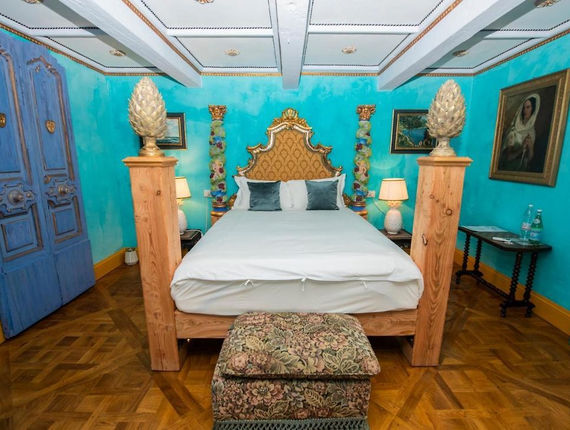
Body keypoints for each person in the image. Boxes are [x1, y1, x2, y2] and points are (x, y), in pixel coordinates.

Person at [499, 94, 540, 171]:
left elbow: (529, 159)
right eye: (524, 107)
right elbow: (508, 158)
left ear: (533, 109)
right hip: (508, 169)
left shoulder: (532, 131)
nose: (525, 110)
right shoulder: (514, 130)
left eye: (528, 107)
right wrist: (521, 148)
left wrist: (531, 148)